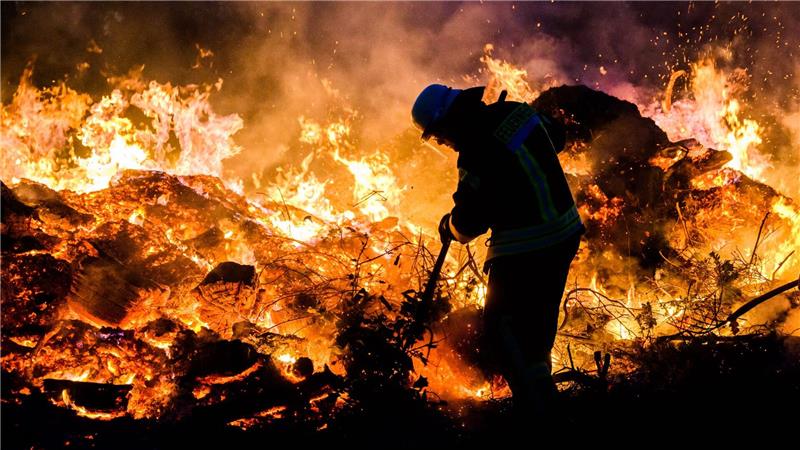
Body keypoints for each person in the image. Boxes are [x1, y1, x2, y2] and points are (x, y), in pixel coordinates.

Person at [411, 84, 585, 420]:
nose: (442, 143)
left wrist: (448, 226)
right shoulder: (518, 111)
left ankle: (537, 415)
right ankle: (545, 399)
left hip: (526, 248)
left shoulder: (474, 153)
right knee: (537, 329)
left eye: (439, 135)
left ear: (450, 120)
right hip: (565, 234)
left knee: (503, 331)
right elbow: (557, 137)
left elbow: (468, 224)